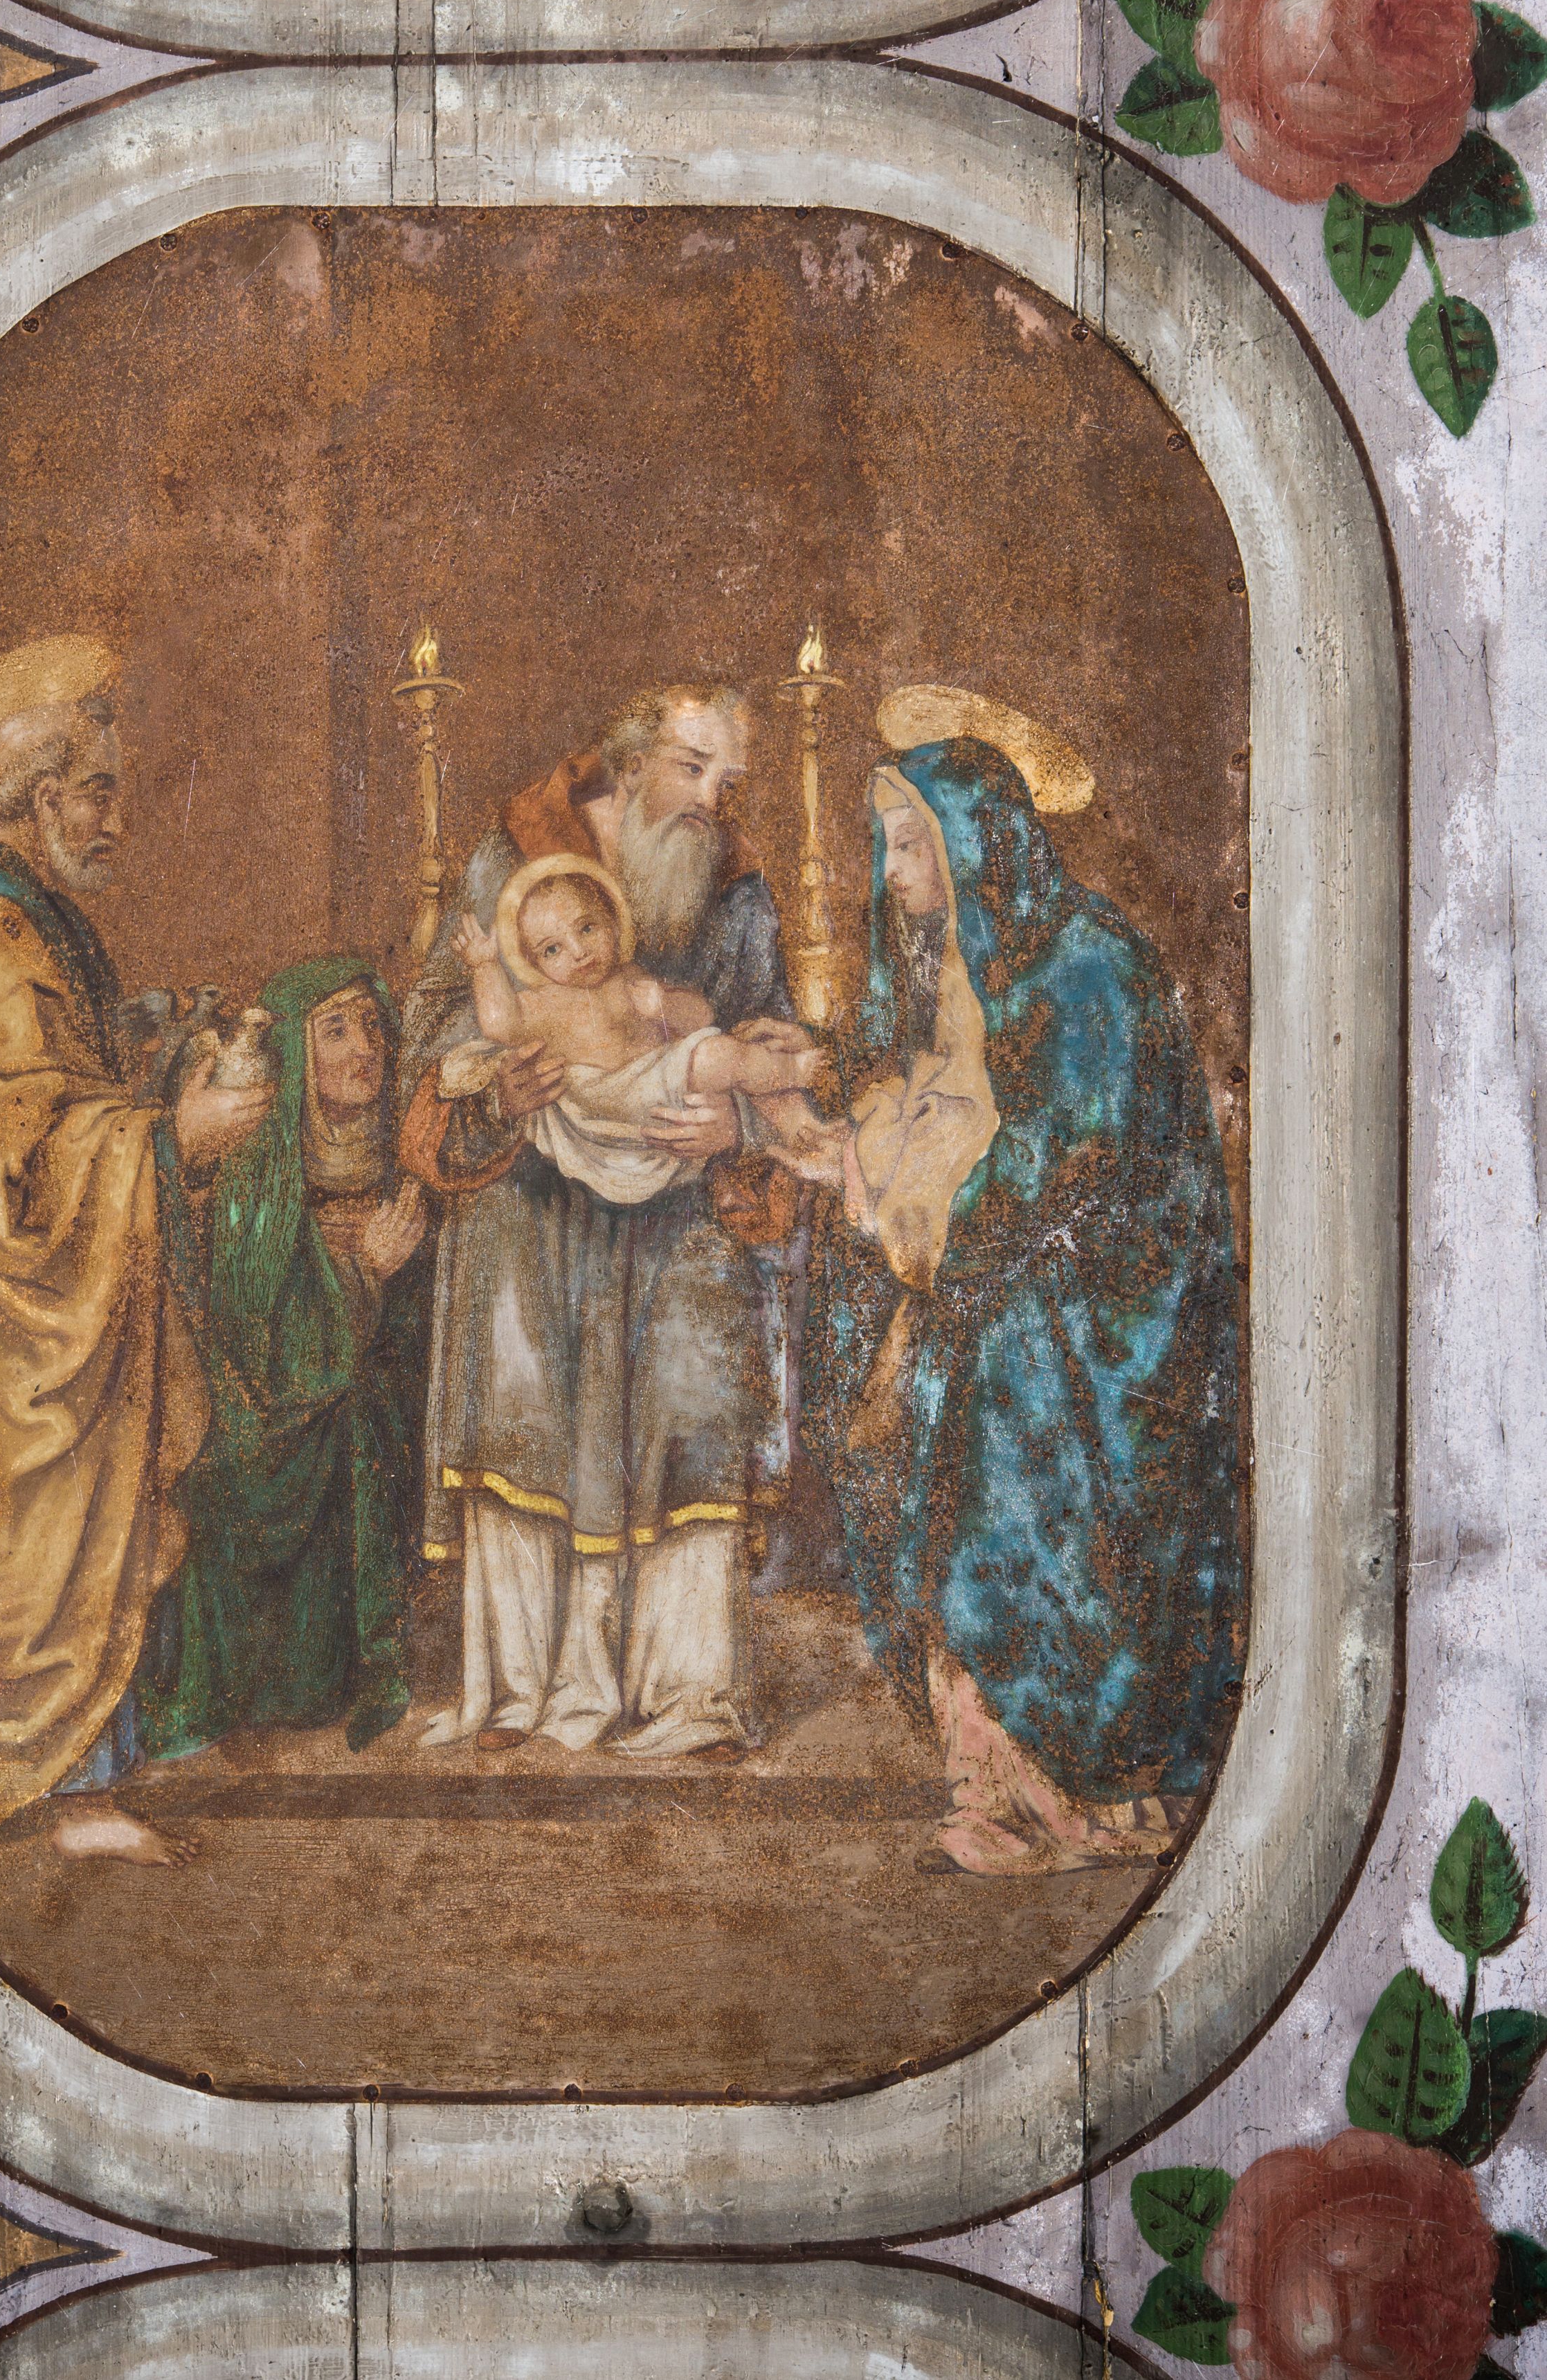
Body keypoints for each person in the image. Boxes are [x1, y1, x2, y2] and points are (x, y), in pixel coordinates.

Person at [0, 635, 271, 1858]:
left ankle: (104, 1761)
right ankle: (61, 1784)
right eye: (98, 793)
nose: (115, 821)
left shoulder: (10, 925)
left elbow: (53, 1095)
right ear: (39, 802)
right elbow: (17, 1174)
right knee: (41, 1499)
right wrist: (175, 1139)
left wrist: (151, 1053)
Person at [784, 739, 1245, 1875]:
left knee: (1029, 1534)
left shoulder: (1086, 966)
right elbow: (934, 1111)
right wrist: (862, 1155)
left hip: (1093, 1330)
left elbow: (1067, 1160)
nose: (893, 869)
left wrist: (904, 1203)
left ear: (976, 840)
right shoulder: (962, 959)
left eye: (913, 844)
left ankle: (1085, 1803)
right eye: (886, 845)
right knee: (957, 1515)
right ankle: (994, 1792)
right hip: (996, 1306)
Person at [401, 683, 803, 1762]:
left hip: (682, 1212)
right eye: (691, 768)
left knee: (690, 1412)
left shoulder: (736, 891)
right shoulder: (510, 859)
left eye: (728, 780)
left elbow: (772, 1042)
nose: (712, 801)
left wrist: (736, 1128)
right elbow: (433, 1033)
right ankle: (526, 1686)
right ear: (628, 766)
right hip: (530, 1214)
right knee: (529, 1417)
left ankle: (689, 1693)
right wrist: (494, 1090)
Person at [138, 961, 431, 1758]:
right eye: (335, 1030)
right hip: (258, 1425)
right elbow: (267, 1351)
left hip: (352, 1415)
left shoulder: (402, 1165)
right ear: (298, 1054)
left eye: (371, 1026)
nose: (364, 1048)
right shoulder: (259, 1170)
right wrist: (364, 1278)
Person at [450, 852, 823, 1207]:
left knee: (731, 1055)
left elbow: (700, 1017)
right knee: (719, 1055)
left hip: (667, 1081)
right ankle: (794, 1070)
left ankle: (803, 1131)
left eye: (587, 928)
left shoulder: (629, 977)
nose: (578, 951)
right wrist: (485, 966)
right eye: (552, 950)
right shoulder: (543, 1002)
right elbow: (499, 1024)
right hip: (621, 1100)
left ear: (612, 922)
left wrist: (664, 1005)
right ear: (532, 963)